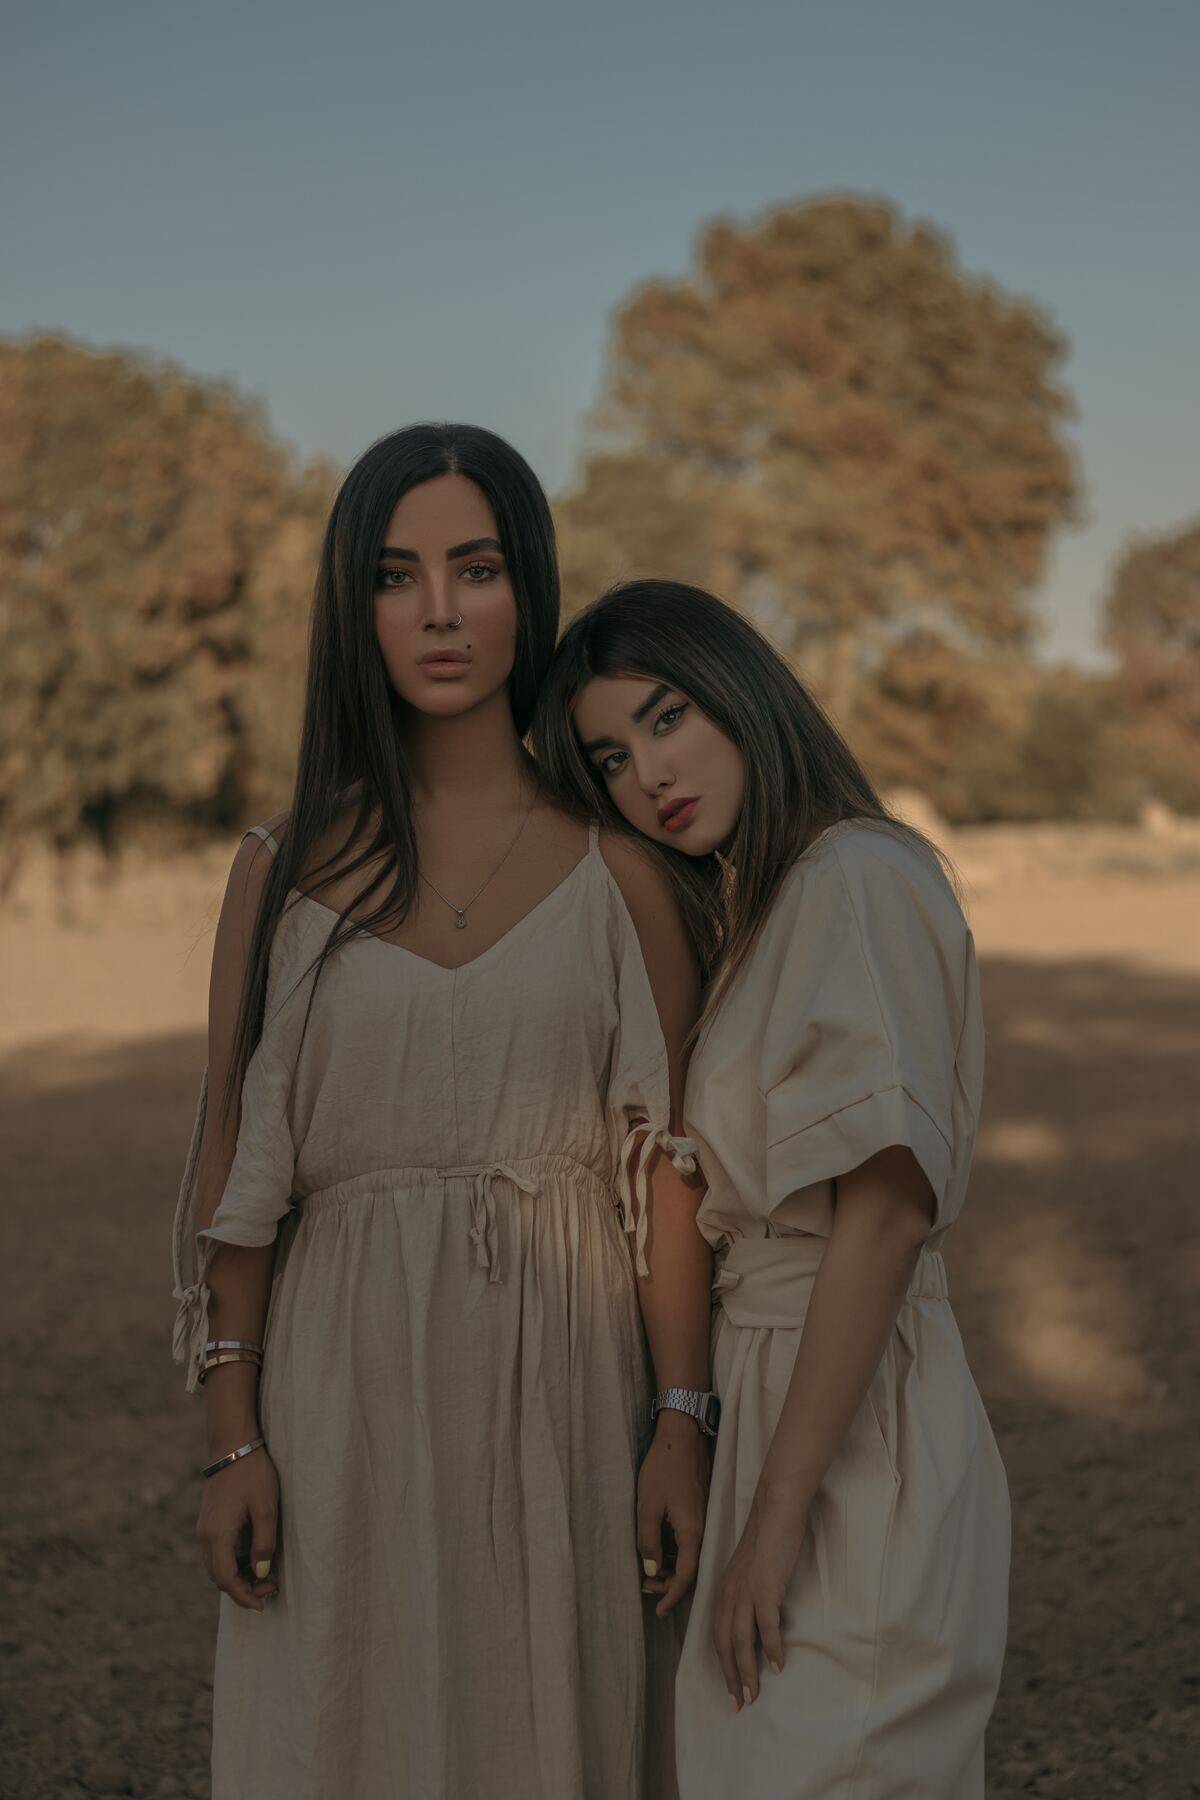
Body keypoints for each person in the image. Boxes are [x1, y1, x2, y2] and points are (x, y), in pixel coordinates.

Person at [170, 434, 713, 1800]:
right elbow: (238, 1163)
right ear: (353, 606)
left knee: (554, 1730)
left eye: (474, 570)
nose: (437, 612)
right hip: (338, 1388)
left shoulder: (623, 872)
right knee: (346, 1730)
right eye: (395, 575)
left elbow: (669, 1182)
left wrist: (681, 1422)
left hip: (569, 1393)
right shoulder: (282, 870)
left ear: (525, 589)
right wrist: (234, 1438)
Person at [531, 579, 1011, 1799]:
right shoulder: (769, 908)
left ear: (742, 693)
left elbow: (888, 1209)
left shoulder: (856, 875)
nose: (648, 773)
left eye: (667, 716)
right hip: (774, 1398)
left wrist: (778, 1519)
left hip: (852, 1426)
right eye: (609, 756)